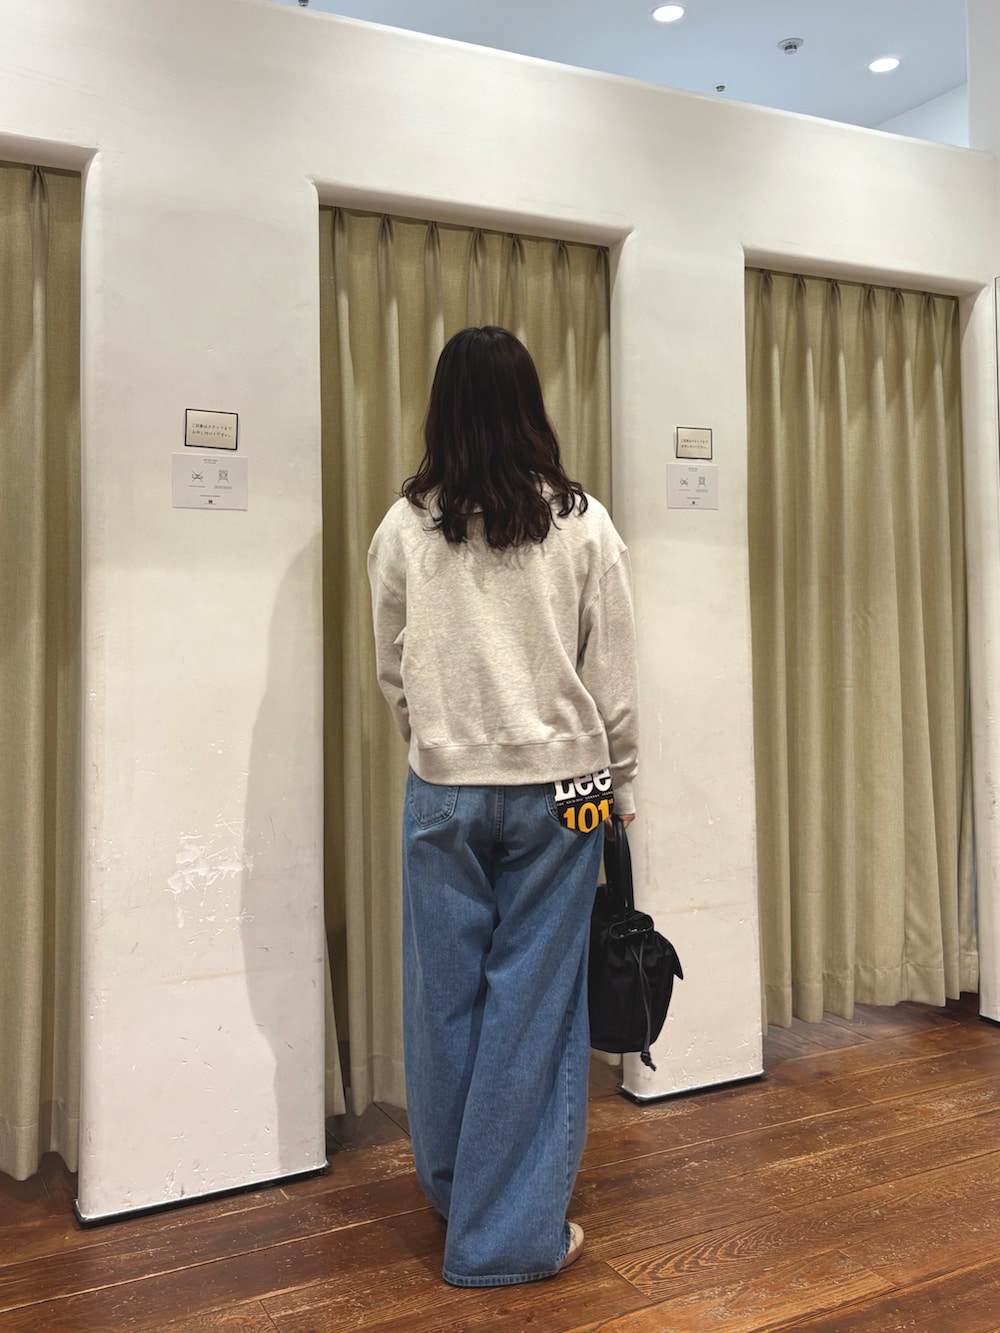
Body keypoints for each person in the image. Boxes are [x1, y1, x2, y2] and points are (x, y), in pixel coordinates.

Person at [367, 325, 638, 1288]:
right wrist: (620, 783)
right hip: (569, 794)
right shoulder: (584, 523)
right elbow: (613, 679)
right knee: (536, 1002)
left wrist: (439, 739)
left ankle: (458, 1193)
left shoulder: (405, 528)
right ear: (531, 406)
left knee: (443, 997)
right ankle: (507, 1235)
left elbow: (393, 665)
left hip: (443, 787)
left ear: (442, 409)